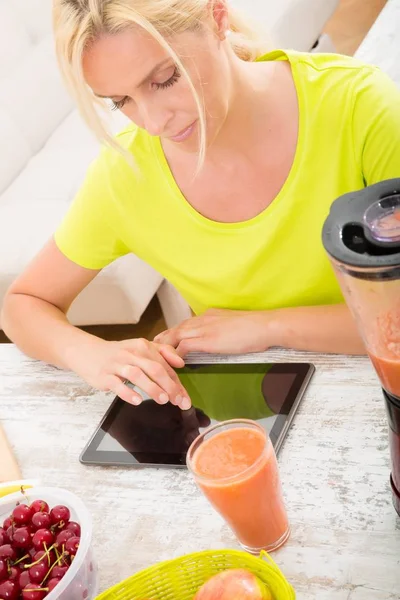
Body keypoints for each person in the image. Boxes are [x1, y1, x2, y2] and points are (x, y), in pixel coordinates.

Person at [2, 0, 400, 411]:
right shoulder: (126, 178)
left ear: (217, 17)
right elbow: (23, 305)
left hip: (377, 389)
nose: (155, 123)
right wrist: (91, 354)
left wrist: (268, 326)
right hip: (252, 417)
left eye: (166, 78)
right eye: (120, 101)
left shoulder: (358, 108)